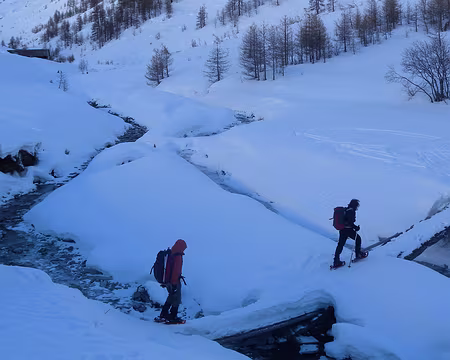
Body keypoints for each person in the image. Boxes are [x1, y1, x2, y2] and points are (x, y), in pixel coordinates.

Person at [157, 239, 187, 323]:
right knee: (176, 299)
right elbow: (176, 271)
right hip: (174, 282)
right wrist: (174, 284)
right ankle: (173, 316)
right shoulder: (178, 256)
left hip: (167, 281)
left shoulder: (170, 254)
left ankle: (163, 314)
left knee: (170, 297)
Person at [334, 199, 366, 267]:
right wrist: (356, 227)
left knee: (340, 244)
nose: (357, 207)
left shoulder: (346, 209)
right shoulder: (351, 211)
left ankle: (336, 260)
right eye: (357, 206)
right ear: (355, 205)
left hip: (342, 230)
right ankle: (358, 254)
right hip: (348, 230)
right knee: (358, 239)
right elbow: (350, 222)